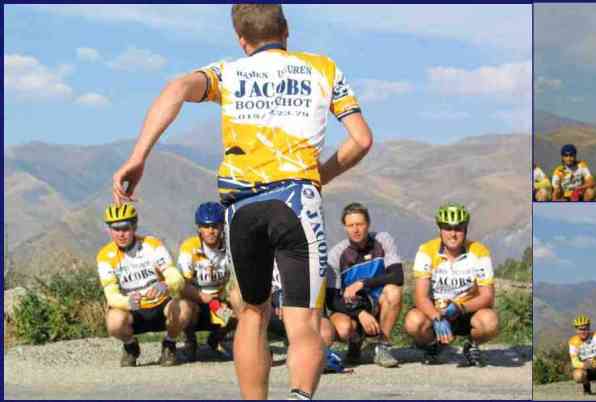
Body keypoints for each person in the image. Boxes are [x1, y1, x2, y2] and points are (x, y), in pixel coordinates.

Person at [110, 5, 373, 399]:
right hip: (294, 201)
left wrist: (138, 156)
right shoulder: (323, 68)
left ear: (241, 39)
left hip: (242, 208)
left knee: (252, 314)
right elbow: (362, 139)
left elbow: (176, 88)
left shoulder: (228, 72)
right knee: (304, 322)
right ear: (286, 30)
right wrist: (322, 176)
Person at [404, 203, 498, 367]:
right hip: (436, 311)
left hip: (465, 311)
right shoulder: (426, 251)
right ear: (440, 229)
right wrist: (436, 317)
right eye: (448, 228)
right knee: (413, 322)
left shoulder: (479, 252)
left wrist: (460, 308)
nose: (453, 234)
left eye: (458, 229)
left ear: (465, 230)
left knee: (490, 322)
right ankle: (434, 345)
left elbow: (487, 297)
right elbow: (420, 296)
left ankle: (471, 345)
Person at [97, 204, 192, 367]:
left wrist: (166, 285)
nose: (121, 234)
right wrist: (127, 302)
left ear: (134, 226)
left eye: (125, 228)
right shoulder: (105, 256)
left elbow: (175, 276)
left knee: (184, 308)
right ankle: (130, 346)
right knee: (113, 321)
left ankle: (169, 344)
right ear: (109, 230)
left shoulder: (151, 244)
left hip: (160, 305)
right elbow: (111, 295)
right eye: (115, 229)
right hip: (132, 310)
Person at [326, 203, 403, 368]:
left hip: (378, 304)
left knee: (394, 291)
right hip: (350, 308)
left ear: (368, 224)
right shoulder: (336, 255)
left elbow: (398, 276)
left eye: (360, 224)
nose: (355, 230)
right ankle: (355, 344)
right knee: (343, 328)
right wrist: (359, 313)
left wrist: (363, 283)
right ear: (345, 227)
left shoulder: (383, 240)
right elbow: (331, 300)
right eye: (350, 225)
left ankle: (383, 347)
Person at [178, 202, 243, 361]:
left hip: (217, 305)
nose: (211, 231)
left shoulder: (230, 247)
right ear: (199, 228)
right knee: (186, 308)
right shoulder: (189, 247)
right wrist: (203, 297)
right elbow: (182, 286)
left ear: (222, 227)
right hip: (195, 301)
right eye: (205, 226)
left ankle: (216, 339)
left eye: (215, 226)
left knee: (238, 314)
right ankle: (190, 341)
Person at [568, 314, 596, 396]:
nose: (583, 331)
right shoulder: (573, 342)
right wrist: (584, 365)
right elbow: (574, 362)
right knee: (577, 375)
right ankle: (586, 386)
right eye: (580, 329)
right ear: (576, 330)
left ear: (589, 328)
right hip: (587, 369)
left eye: (586, 329)